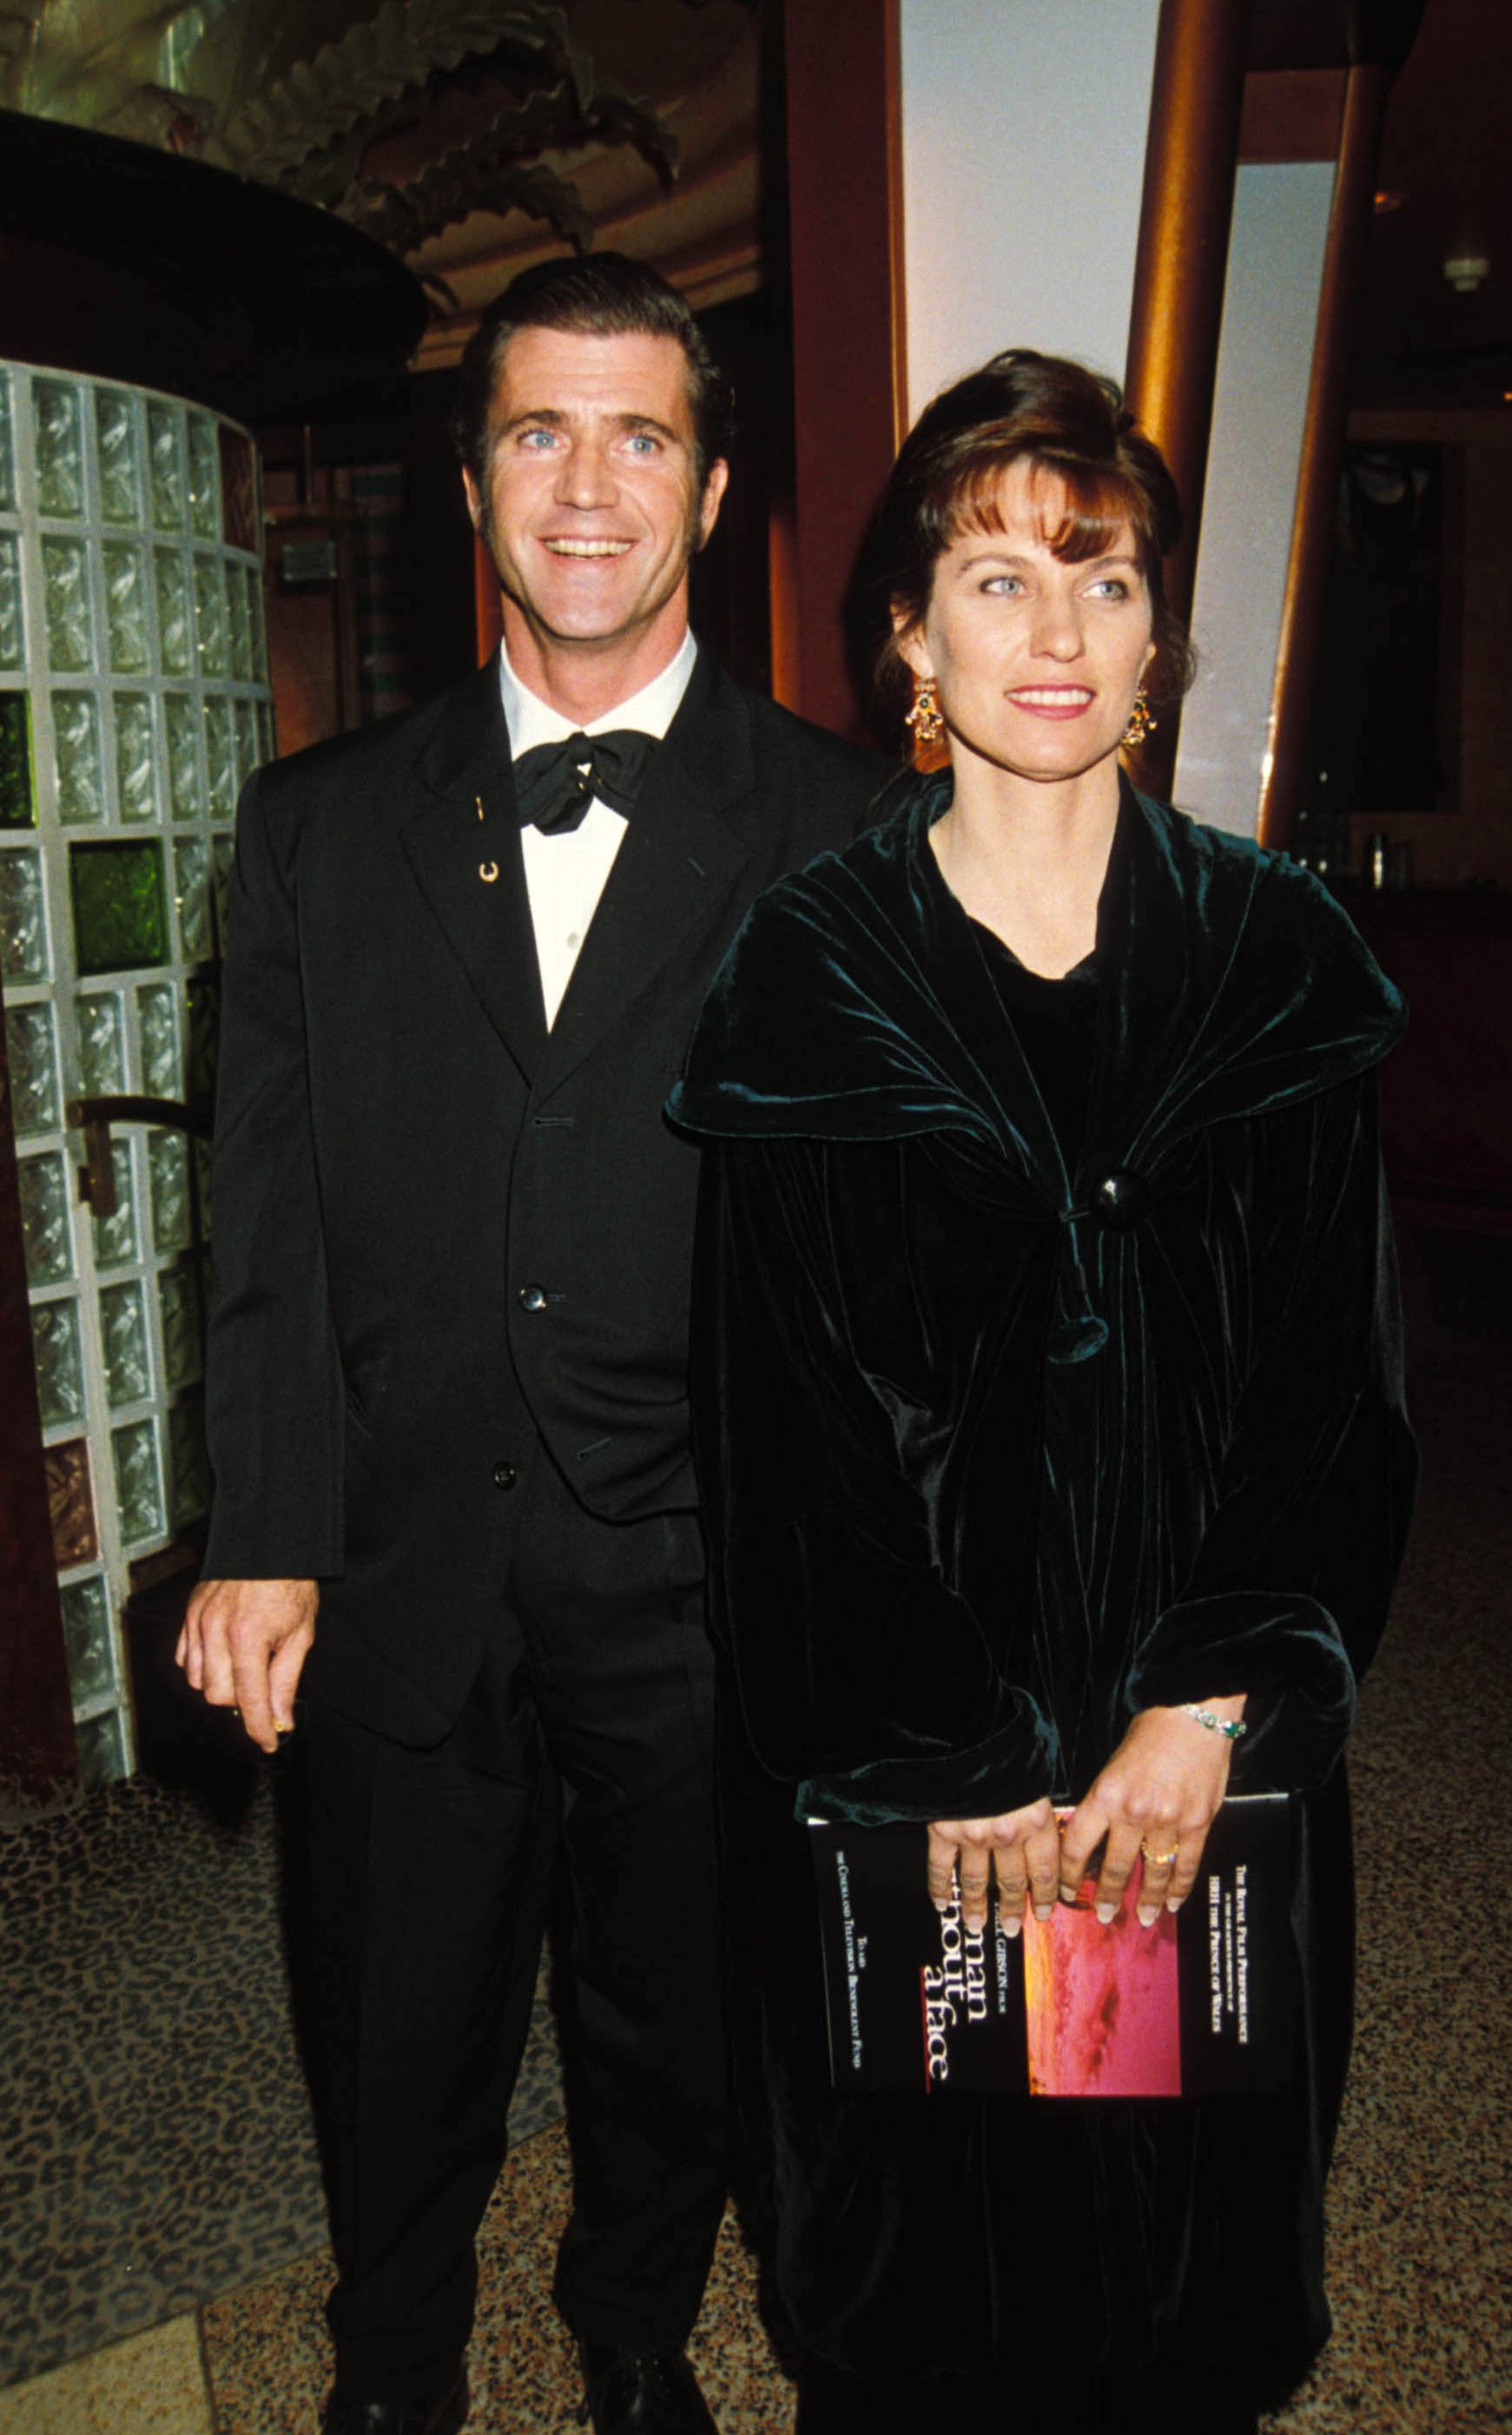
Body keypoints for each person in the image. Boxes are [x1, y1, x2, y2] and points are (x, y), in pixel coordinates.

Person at [670, 351, 1418, 2435]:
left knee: (1183, 2258)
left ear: (1162, 627)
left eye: (1099, 578)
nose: (1056, 633)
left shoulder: (1272, 958)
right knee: (939, 2279)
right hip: (928, 1753)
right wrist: (958, 1754)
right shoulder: (810, 975)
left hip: (1195, 1750)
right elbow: (783, 1435)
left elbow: (1332, 1389)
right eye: (994, 579)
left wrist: (1205, 1701)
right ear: (907, 628)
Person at [175, 253, 887, 2435]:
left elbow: (883, 1254)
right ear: (467, 488)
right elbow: (264, 1213)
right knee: (393, 2016)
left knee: (676, 2015)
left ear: (716, 483)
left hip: (697, 1565)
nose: (590, 486)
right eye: (538, 433)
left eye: (642, 435)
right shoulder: (315, 827)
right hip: (400, 1546)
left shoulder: (848, 828)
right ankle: (390, 2363)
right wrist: (263, 1526)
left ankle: (633, 2324)